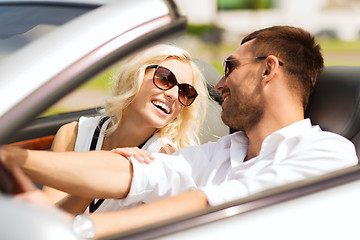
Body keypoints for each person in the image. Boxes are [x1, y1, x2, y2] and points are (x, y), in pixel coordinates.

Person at [1, 26, 358, 239]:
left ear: (268, 70)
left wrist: (79, 229)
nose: (219, 83)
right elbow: (137, 172)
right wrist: (14, 157)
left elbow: (216, 201)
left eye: (230, 67)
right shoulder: (224, 150)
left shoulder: (328, 153)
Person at [41, 44, 209, 213]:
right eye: (165, 78)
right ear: (136, 74)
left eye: (184, 92)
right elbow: (48, 219)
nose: (173, 95)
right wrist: (97, 179)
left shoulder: (163, 161)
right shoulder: (72, 135)